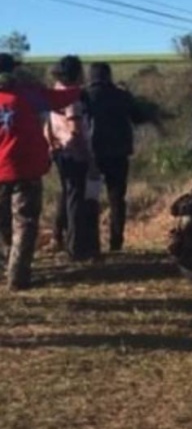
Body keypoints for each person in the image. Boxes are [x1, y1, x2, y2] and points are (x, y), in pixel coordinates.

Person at [0, 52, 83, 290]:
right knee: (25, 223)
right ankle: (17, 276)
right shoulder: (28, 94)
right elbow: (60, 99)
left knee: (3, 223)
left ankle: (7, 263)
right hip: (26, 170)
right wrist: (81, 88)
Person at [44, 55, 99, 261]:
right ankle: (76, 247)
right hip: (75, 155)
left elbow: (47, 126)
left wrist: (51, 144)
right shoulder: (72, 99)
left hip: (59, 152)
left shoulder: (54, 95)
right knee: (76, 199)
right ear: (76, 73)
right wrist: (90, 159)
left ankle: (62, 238)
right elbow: (77, 132)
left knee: (67, 195)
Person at [83, 61, 136, 253]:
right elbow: (137, 115)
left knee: (91, 197)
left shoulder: (85, 96)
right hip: (118, 153)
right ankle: (116, 241)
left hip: (93, 155)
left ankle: (90, 241)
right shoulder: (122, 96)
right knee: (117, 198)